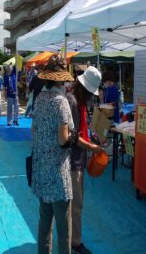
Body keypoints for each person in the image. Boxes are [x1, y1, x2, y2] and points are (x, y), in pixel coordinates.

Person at [31, 54, 75, 254]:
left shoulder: (40, 98)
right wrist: (74, 139)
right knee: (63, 227)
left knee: (44, 223)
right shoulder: (61, 102)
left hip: (41, 170)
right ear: (62, 79)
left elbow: (33, 131)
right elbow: (62, 139)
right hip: (58, 173)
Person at [66, 67, 103, 254]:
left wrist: (93, 140)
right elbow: (71, 137)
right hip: (72, 161)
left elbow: (81, 130)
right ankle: (75, 242)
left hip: (78, 160)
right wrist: (91, 147)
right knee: (76, 205)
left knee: (76, 204)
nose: (91, 97)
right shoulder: (72, 102)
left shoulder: (78, 102)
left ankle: (72, 239)